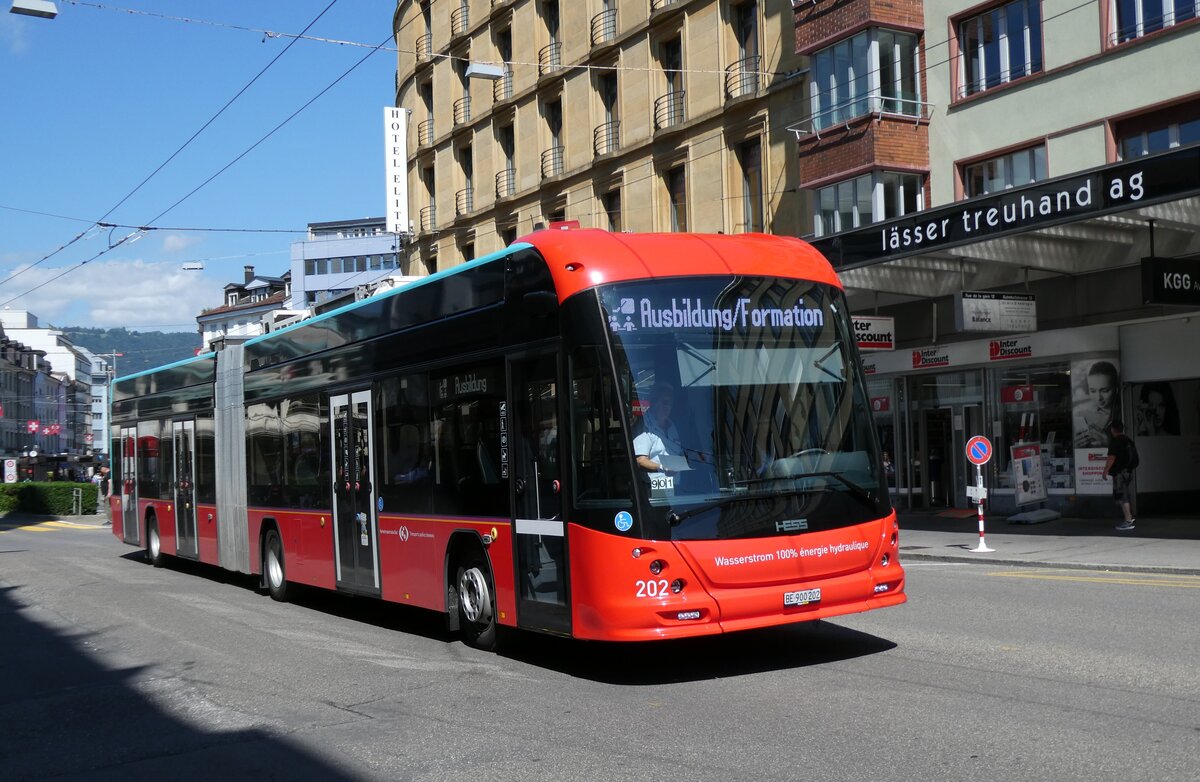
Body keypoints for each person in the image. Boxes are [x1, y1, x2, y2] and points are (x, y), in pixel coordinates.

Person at [633, 383, 684, 484]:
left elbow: (678, 452)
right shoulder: (645, 425)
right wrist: (662, 468)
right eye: (664, 402)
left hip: (676, 485)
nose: (667, 407)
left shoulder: (671, 425)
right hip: (655, 488)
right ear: (654, 402)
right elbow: (640, 461)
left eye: (670, 403)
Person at [1074, 361, 1120, 448]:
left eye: (1105, 391)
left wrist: (1108, 443)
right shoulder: (1082, 415)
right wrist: (1076, 446)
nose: (1098, 398)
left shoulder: (1124, 413)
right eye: (1093, 391)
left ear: (1116, 389)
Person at [1104, 420, 1137, 531]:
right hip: (1128, 472)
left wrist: (1105, 471)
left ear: (1113, 429)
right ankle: (1130, 517)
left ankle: (1128, 521)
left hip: (1119, 473)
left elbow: (1111, 458)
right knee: (1125, 494)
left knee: (1122, 496)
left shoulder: (1115, 441)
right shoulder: (1128, 440)